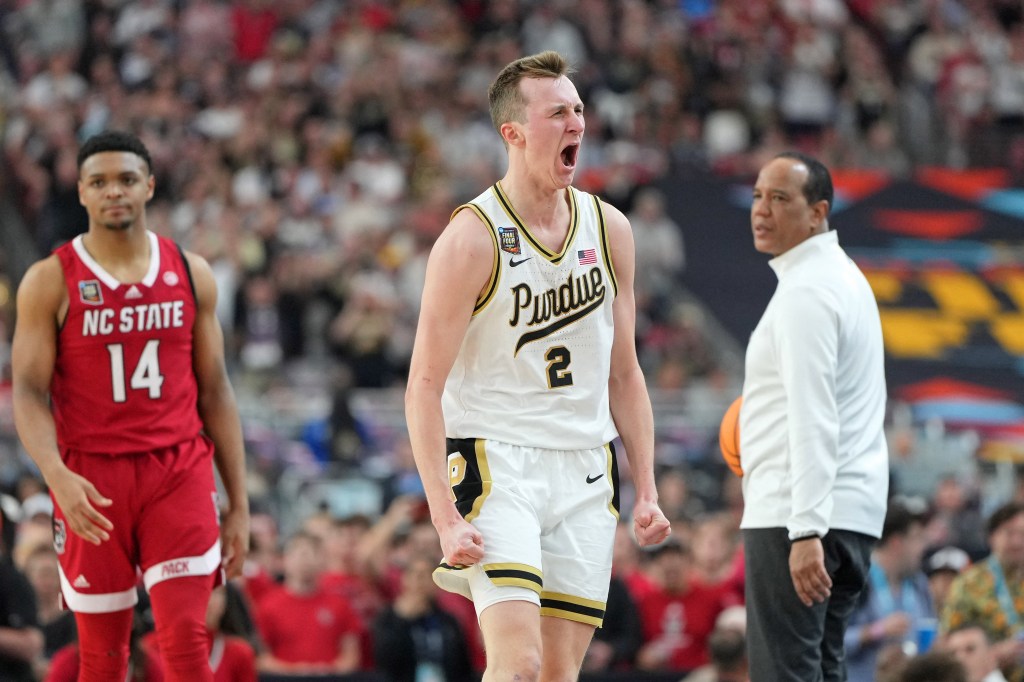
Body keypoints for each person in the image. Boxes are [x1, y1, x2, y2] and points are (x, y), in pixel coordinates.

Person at [404, 50, 672, 682]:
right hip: (497, 461)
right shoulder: (471, 237)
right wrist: (444, 515)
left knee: (556, 676)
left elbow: (625, 374)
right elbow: (422, 385)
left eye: (579, 110)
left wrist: (648, 488)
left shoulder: (610, 229)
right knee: (518, 667)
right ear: (515, 133)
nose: (576, 123)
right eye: (559, 113)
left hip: (585, 467)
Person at [11, 130, 250, 682]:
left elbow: (216, 390)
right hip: (90, 479)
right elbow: (27, 392)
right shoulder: (49, 280)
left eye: (125, 179)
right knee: (102, 657)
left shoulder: (191, 272)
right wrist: (56, 476)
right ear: (80, 193)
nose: (113, 191)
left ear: (149, 186)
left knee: (187, 643)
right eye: (99, 182)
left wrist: (237, 502)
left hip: (178, 470)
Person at [739, 152, 889, 681]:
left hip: (798, 515)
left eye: (780, 198)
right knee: (823, 668)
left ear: (817, 212)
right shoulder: (843, 278)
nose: (761, 209)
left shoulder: (807, 292)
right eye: (758, 195)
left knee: (787, 673)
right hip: (849, 514)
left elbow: (813, 413)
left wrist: (805, 530)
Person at [846, 500, 935, 681]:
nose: (923, 547)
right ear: (896, 542)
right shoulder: (855, 580)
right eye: (917, 538)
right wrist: (874, 632)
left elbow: (931, 628)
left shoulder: (919, 584)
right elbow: (829, 642)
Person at [940, 502, 1024, 682]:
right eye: (1010, 533)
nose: (1018, 542)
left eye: (1023, 534)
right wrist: (991, 654)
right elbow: (948, 645)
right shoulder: (969, 583)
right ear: (992, 537)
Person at [372, 555, 476, 682]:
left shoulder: (448, 621)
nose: (420, 581)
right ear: (405, 579)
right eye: (416, 574)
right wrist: (403, 620)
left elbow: (463, 667)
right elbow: (385, 662)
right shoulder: (388, 618)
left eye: (427, 576)